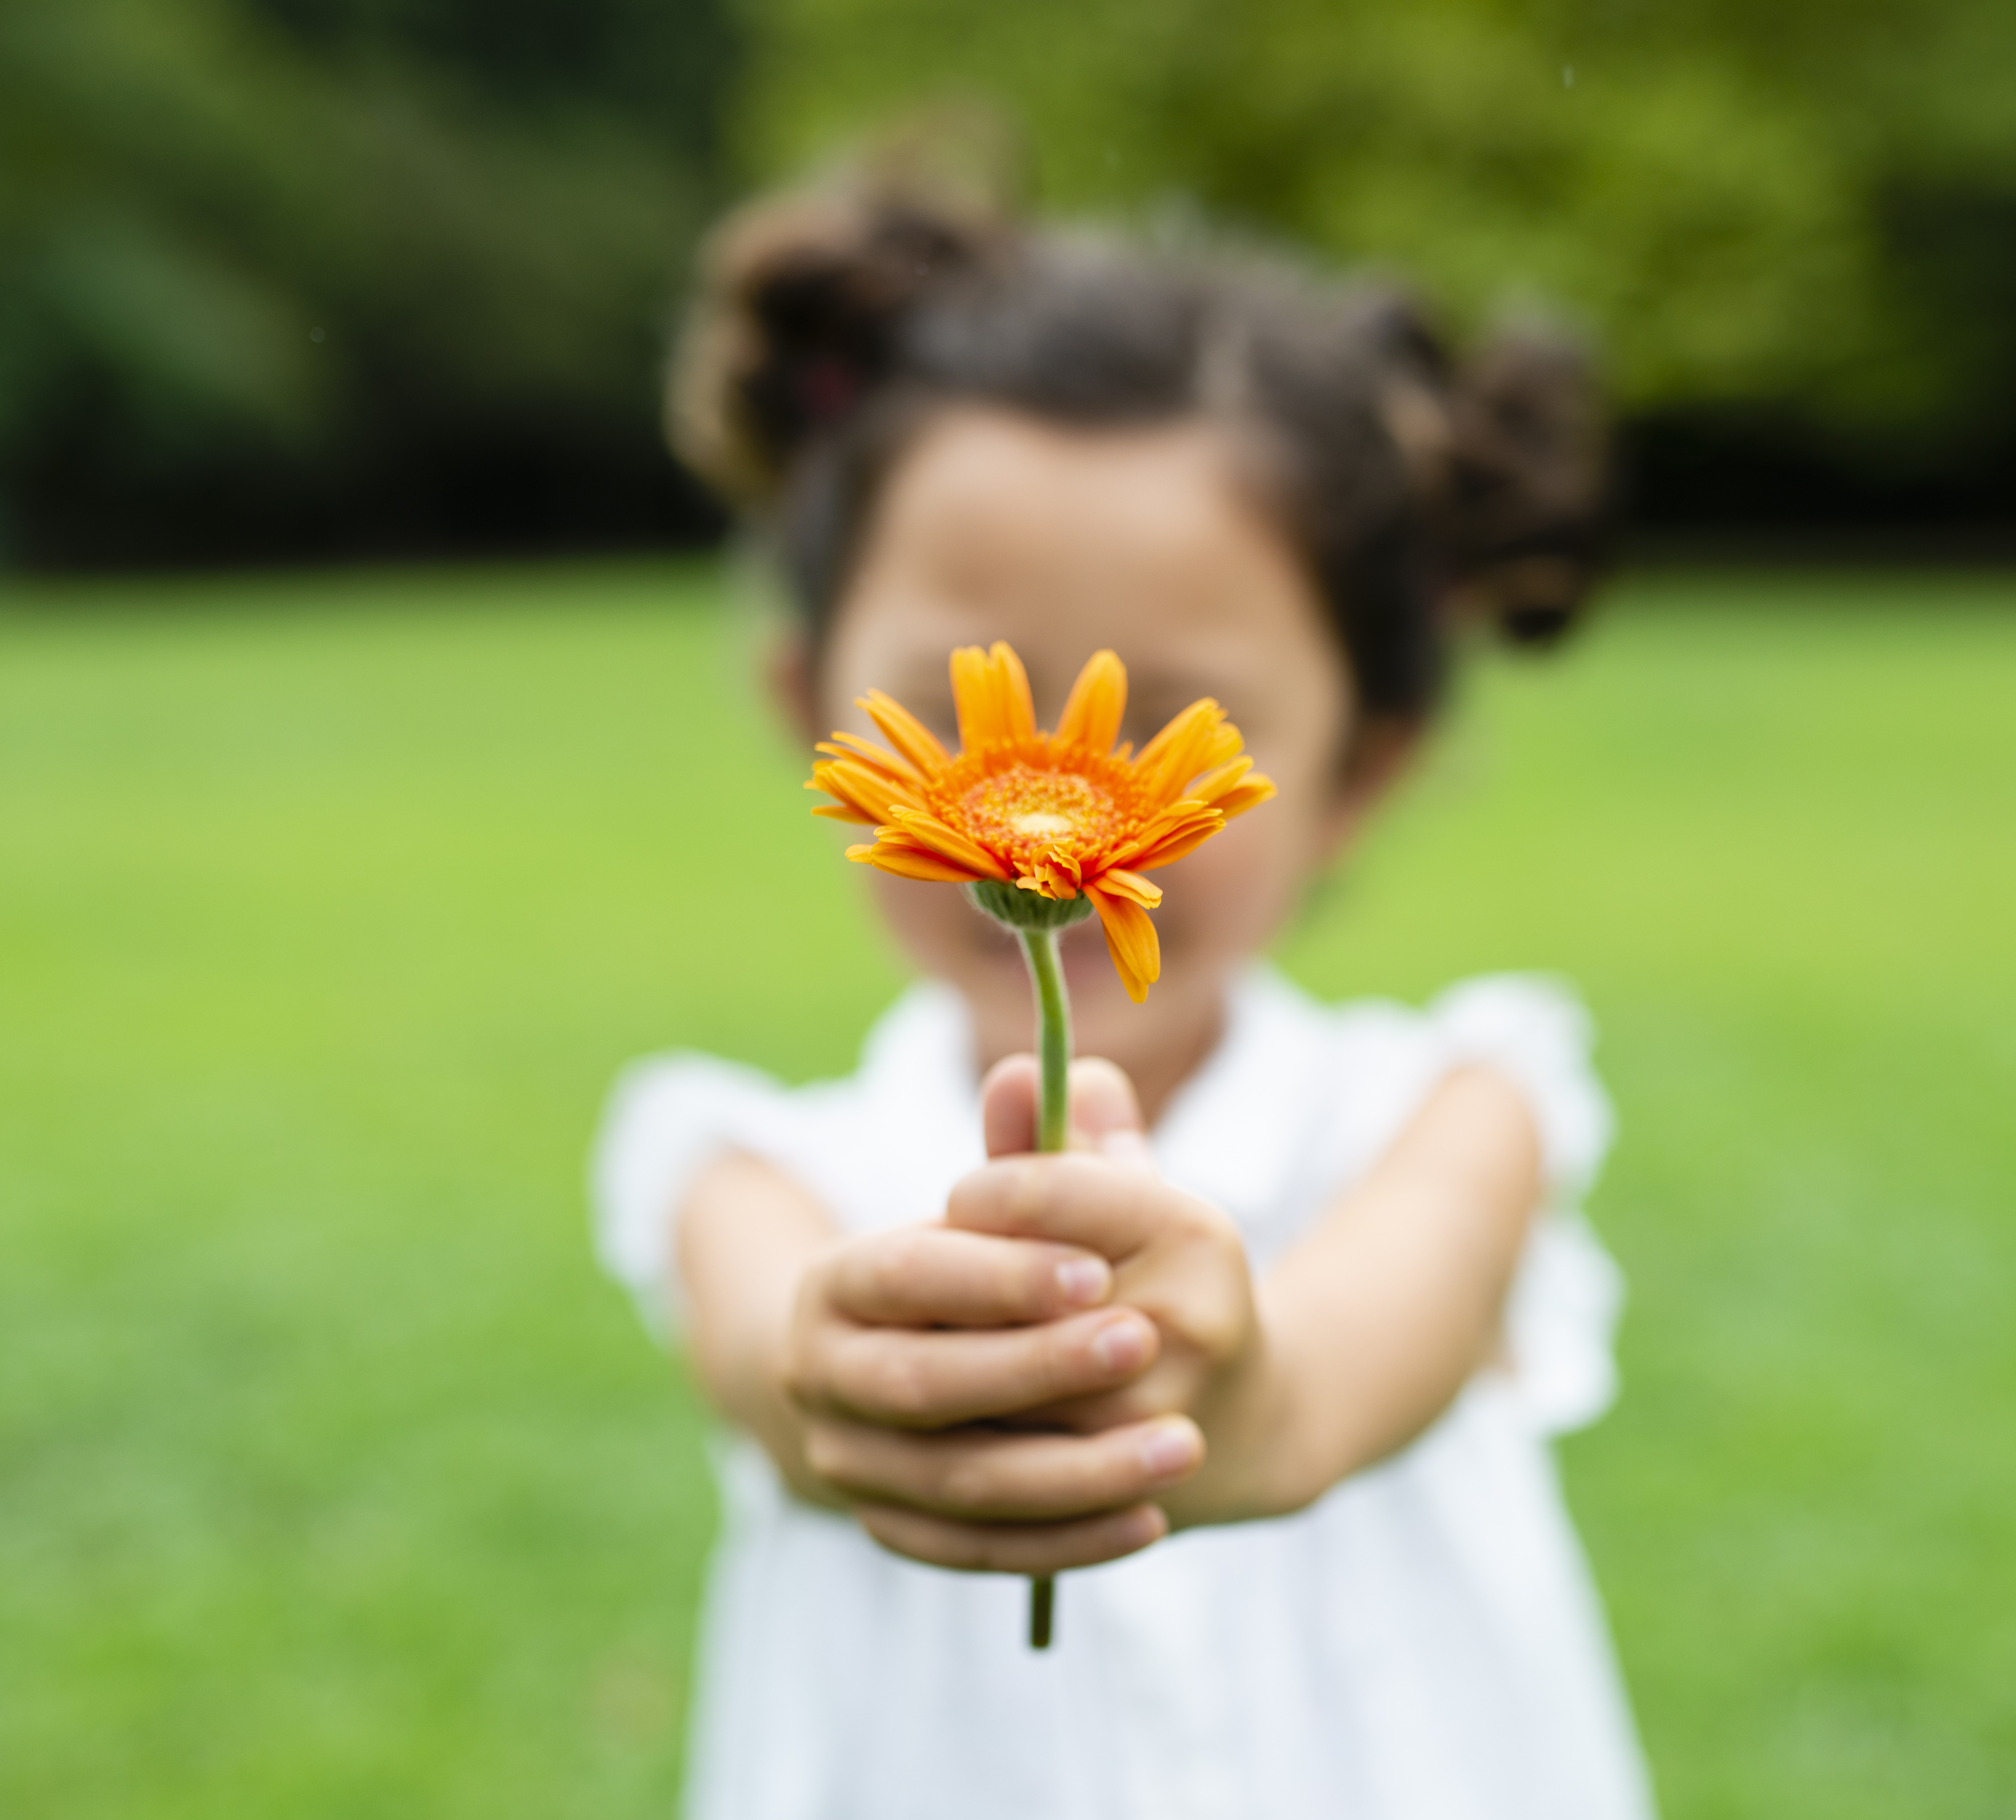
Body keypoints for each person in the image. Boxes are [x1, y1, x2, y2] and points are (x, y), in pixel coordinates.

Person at [594, 168, 1650, 1820]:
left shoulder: (1454, 1114)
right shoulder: (746, 1171)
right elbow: (777, 1363)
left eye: (1169, 729)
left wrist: (1249, 1405)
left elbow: (1354, 1357)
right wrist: (862, 1391)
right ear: (816, 713)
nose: (1059, 782)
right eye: (953, 712)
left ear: (1362, 767)